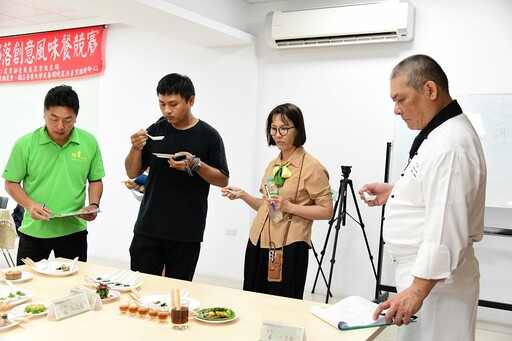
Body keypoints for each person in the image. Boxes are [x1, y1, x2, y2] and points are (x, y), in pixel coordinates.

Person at [359, 55, 486, 341]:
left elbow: (446, 227)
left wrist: (417, 291)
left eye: (401, 99)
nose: (396, 109)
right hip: (428, 277)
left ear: (430, 90)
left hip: (436, 283)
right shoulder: (441, 134)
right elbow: (437, 192)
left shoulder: (450, 144)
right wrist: (397, 192)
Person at [222, 103, 333, 299]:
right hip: (258, 241)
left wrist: (290, 206)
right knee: (253, 300)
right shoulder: (273, 164)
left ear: (297, 130)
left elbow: (327, 211)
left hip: (289, 246)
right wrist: (243, 195)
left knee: (282, 306)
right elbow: (267, 207)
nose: (278, 134)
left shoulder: (312, 167)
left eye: (284, 128)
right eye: (273, 129)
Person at [125, 73, 229, 281]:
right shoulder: (155, 130)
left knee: (177, 294)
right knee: (141, 288)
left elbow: (222, 179)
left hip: (186, 230)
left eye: (173, 104)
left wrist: (196, 164)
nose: (167, 110)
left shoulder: (209, 136)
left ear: (191, 101)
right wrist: (135, 149)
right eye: (162, 104)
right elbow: (132, 172)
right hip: (149, 227)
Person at [2, 85, 105, 265]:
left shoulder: (89, 142)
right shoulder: (25, 144)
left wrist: (94, 204)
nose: (60, 126)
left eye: (67, 119)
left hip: (74, 231)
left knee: (73, 288)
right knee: (30, 287)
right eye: (54, 118)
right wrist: (30, 205)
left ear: (76, 118)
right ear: (44, 113)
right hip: (33, 231)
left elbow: (95, 179)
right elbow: (11, 183)